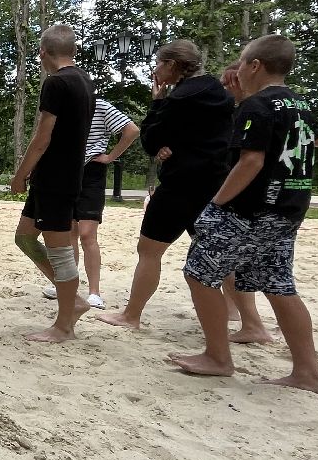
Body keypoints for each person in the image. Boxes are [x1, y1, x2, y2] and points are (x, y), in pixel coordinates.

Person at [170, 35, 318, 394]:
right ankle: (308, 372)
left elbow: (251, 161)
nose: (237, 70)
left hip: (253, 210)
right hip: (289, 210)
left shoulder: (257, 106)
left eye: (241, 63)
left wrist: (217, 204)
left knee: (199, 272)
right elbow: (315, 143)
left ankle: (217, 357)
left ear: (255, 65)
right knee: (280, 285)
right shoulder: (299, 105)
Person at [96, 40, 232, 332]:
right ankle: (240, 315)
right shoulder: (219, 91)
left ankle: (132, 315)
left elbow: (151, 140)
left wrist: (158, 101)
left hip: (181, 185)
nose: (156, 69)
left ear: (172, 65)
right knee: (214, 252)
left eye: (159, 63)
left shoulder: (180, 97)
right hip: (216, 184)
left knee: (149, 250)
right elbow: (206, 136)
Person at [10, 26, 95, 342]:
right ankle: (73, 300)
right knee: (25, 239)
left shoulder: (57, 82)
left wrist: (20, 175)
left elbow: (42, 137)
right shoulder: (84, 80)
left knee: (61, 254)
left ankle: (64, 325)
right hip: (57, 178)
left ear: (43, 52)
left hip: (56, 180)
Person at [42, 98, 140, 308]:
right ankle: (69, 285)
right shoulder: (62, 106)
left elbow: (132, 130)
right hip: (66, 171)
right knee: (69, 233)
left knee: (87, 234)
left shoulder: (101, 106)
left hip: (91, 172)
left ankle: (94, 292)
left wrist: (111, 156)